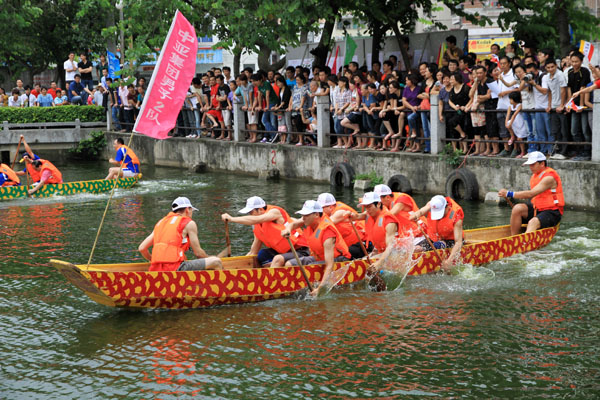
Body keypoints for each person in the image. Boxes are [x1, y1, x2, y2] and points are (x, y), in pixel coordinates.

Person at [280, 200, 352, 296]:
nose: (303, 218)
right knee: (289, 264)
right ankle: (289, 290)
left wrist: (320, 289)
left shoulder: (327, 232)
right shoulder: (308, 220)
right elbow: (293, 224)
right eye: (302, 215)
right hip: (319, 256)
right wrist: (287, 230)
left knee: (308, 268)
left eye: (306, 215)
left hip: (338, 259)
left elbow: (330, 265)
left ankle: (304, 291)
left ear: (316, 215)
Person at [139, 197, 223, 272]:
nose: (191, 214)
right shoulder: (189, 223)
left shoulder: (160, 223)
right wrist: (209, 258)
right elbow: (198, 254)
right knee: (216, 261)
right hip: (176, 268)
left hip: (155, 270)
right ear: (187, 210)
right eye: (191, 211)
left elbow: (142, 248)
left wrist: (156, 260)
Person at [221, 196, 309, 267]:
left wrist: (232, 219)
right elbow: (253, 252)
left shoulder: (275, 212)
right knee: (262, 254)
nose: (250, 215)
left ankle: (272, 283)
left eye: (251, 212)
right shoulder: (259, 227)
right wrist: (234, 264)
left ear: (260, 210)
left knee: (277, 259)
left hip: (300, 251)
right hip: (284, 252)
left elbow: (258, 219)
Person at [498, 151, 564, 236]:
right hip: (537, 209)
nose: (530, 167)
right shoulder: (535, 175)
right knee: (517, 208)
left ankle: (524, 243)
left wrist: (509, 193)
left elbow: (530, 194)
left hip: (552, 212)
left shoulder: (549, 178)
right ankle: (513, 238)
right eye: (529, 165)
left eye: (533, 164)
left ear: (542, 164)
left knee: (533, 222)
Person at [356, 192, 417, 274]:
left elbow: (390, 246)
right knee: (363, 261)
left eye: (369, 206)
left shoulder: (389, 221)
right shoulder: (372, 216)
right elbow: (356, 216)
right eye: (366, 207)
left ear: (378, 204)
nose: (367, 210)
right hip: (383, 251)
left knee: (366, 265)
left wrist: (379, 263)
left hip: (397, 252)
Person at [409, 195, 464, 272]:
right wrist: (415, 216)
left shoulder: (456, 215)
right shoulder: (432, 204)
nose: (438, 217)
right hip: (433, 237)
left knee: (432, 246)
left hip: (450, 241)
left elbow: (458, 242)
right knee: (415, 248)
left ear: (447, 207)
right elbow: (420, 212)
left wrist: (449, 261)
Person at [317, 193, 368, 260]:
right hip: (349, 245)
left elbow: (325, 224)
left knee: (336, 255)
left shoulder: (340, 212)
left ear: (330, 207)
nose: (318, 211)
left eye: (321, 208)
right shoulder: (329, 213)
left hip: (362, 245)